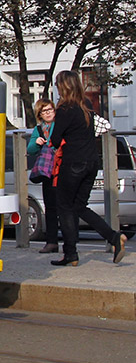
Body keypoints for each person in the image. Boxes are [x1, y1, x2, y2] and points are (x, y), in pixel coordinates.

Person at [48, 70, 127, 267]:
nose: (56, 88)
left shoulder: (65, 109)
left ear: (63, 86)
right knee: (79, 206)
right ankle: (113, 237)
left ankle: (71, 254)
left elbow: (55, 140)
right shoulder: (86, 105)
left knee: (64, 207)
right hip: (91, 162)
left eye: (58, 84)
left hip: (73, 163)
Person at [27, 98, 60, 253]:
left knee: (66, 206)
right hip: (48, 173)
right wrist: (37, 142)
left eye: (50, 110)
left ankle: (70, 240)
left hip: (61, 169)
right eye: (44, 111)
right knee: (51, 207)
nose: (48, 113)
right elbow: (31, 149)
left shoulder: (59, 124)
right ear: (40, 114)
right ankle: (52, 241)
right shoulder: (39, 129)